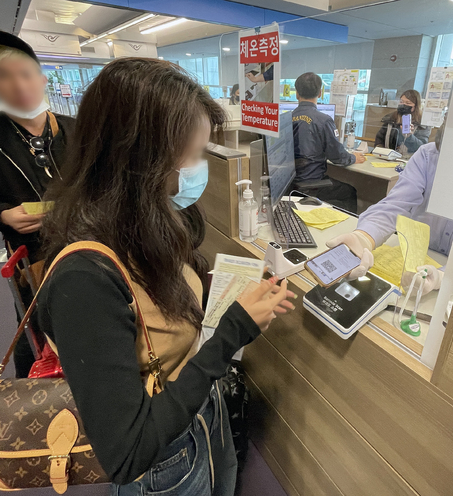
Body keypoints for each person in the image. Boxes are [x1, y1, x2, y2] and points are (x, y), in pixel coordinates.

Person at [34, 58, 295, 495]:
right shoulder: (83, 279)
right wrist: (231, 333)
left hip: (200, 416)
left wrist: (214, 288)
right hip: (163, 463)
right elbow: (128, 451)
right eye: (191, 156)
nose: (197, 169)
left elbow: (153, 307)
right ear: (139, 159)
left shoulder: (143, 225)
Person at [0, 30, 75, 377]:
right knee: (36, 335)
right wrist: (3, 215)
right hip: (33, 258)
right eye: (3, 76)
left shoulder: (79, 131)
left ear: (42, 76)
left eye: (25, 73)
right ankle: (36, 399)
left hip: (93, 246)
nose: (18, 85)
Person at [327, 123, 453, 293]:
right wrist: (364, 237)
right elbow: (396, 204)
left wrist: (445, 276)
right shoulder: (429, 155)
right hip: (417, 252)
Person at [291, 72, 365, 213]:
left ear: (297, 94)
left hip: (290, 183)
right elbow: (338, 157)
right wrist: (354, 157)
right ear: (320, 93)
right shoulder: (323, 120)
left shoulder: (286, 118)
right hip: (312, 184)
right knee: (349, 192)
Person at [374, 89, 430, 155]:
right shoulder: (391, 118)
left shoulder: (422, 124)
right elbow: (379, 139)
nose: (403, 105)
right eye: (401, 102)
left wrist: (410, 137)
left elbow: (421, 148)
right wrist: (380, 151)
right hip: (387, 158)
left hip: (408, 160)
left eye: (408, 103)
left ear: (416, 106)